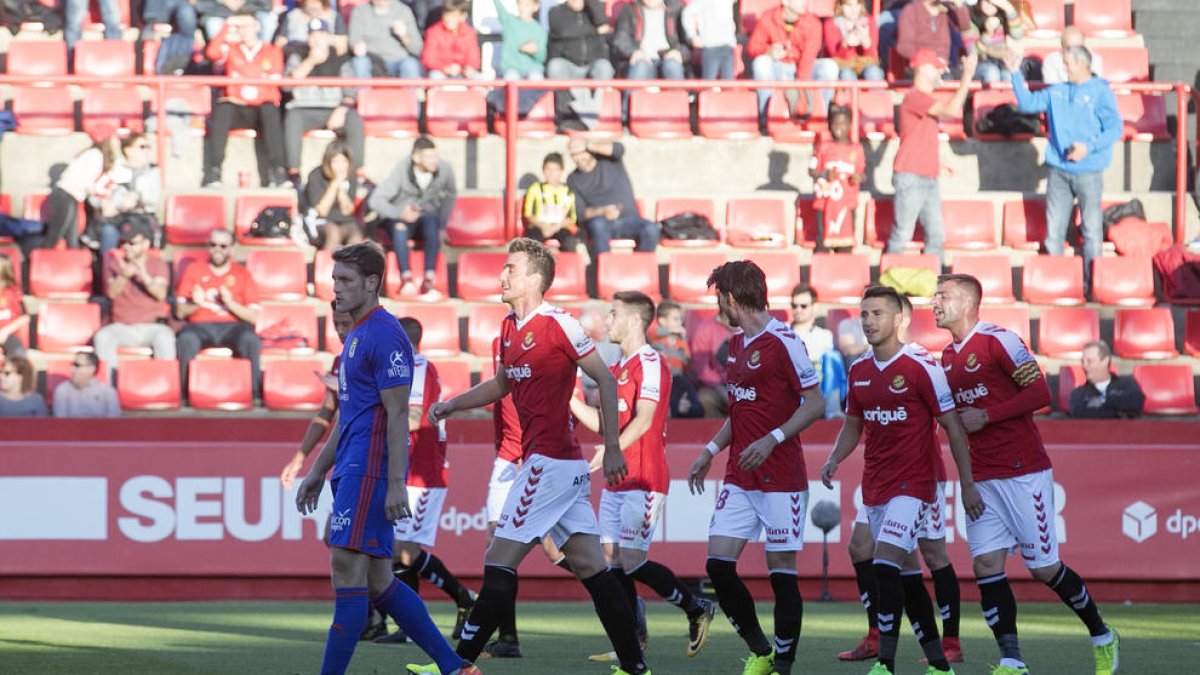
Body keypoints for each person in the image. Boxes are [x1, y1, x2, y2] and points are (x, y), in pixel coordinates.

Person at [416, 237, 652, 675]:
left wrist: (615, 446)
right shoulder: (508, 327)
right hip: (555, 466)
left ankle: (458, 664)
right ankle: (636, 666)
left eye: (510, 269)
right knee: (591, 567)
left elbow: (606, 379)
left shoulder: (559, 324)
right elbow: (502, 384)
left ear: (535, 279)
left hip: (549, 465)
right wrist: (453, 404)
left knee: (498, 559)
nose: (501, 276)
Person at [295, 242, 477, 675]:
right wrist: (319, 470)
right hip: (351, 468)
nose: (336, 288)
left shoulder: (384, 333)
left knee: (347, 570)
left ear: (373, 282)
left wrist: (397, 482)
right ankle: (455, 667)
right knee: (379, 580)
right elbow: (351, 413)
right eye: (334, 279)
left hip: (369, 469)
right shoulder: (357, 335)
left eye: (345, 280)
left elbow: (398, 413)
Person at [933, 273, 1121, 675]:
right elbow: (952, 425)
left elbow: (1041, 394)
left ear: (967, 303)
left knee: (1043, 569)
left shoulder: (1000, 341)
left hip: (1023, 473)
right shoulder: (945, 358)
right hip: (982, 479)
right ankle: (1012, 660)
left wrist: (988, 415)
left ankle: (1103, 634)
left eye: (942, 296)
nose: (934, 303)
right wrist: (965, 483)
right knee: (986, 567)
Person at [819, 285, 981, 675]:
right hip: (876, 484)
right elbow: (853, 425)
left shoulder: (922, 366)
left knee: (888, 558)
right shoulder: (858, 370)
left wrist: (969, 484)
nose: (869, 321)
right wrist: (834, 458)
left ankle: (886, 661)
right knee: (900, 570)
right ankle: (939, 663)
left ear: (899, 319)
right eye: (864, 315)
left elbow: (953, 428)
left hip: (917, 483)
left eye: (877, 314)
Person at [685, 260, 824, 675]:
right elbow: (740, 409)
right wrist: (709, 449)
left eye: (717, 298)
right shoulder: (738, 345)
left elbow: (816, 403)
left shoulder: (784, 340)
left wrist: (773, 439)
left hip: (781, 477)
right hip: (740, 475)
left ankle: (782, 664)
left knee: (782, 572)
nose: (717, 307)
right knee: (718, 566)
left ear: (730, 298)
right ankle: (760, 649)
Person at [569, 292, 717, 662]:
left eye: (614, 314)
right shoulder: (618, 367)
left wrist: (612, 450)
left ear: (634, 321)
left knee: (632, 560)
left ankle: (696, 607)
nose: (607, 320)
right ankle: (633, 640)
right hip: (619, 476)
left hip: (644, 477)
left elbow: (645, 419)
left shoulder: (650, 362)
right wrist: (568, 399)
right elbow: (605, 424)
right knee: (610, 559)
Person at [374, 316, 477, 645]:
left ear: (405, 340)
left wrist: (379, 429)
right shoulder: (400, 368)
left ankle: (464, 599)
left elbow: (415, 417)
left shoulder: (417, 367)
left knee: (403, 551)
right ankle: (412, 625)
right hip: (408, 470)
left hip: (424, 470)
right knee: (399, 551)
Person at [477, 334, 568, 659]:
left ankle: (621, 591)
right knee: (496, 542)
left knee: (561, 549)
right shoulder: (502, 343)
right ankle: (508, 637)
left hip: (536, 458)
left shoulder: (553, 350)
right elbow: (501, 403)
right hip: (509, 457)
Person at [1007, 45, 1120, 296]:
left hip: (1089, 171)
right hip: (1059, 170)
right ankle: (1056, 284)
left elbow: (1114, 129)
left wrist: (1087, 147)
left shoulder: (1101, 92)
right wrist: (1015, 73)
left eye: (1068, 64)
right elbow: (1027, 104)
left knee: (1091, 230)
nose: (1064, 68)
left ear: (1082, 65)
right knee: (1054, 231)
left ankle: (1093, 286)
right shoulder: (1056, 91)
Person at [886, 48, 977, 264]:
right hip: (912, 176)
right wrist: (966, 77)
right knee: (903, 234)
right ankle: (884, 287)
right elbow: (952, 110)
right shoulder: (915, 97)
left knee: (935, 235)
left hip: (926, 176)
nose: (940, 73)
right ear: (924, 69)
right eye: (936, 68)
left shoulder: (920, 98)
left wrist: (940, 162)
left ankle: (935, 283)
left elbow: (918, 138)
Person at [203, 11, 289, 189]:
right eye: (240, 27)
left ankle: (278, 171)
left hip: (260, 108)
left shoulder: (271, 51)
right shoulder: (231, 50)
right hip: (237, 107)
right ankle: (213, 172)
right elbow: (212, 52)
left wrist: (245, 89)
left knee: (270, 109)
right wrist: (227, 24)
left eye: (248, 25)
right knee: (224, 107)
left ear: (257, 27)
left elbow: (272, 85)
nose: (245, 31)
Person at [174, 229, 263, 401]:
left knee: (250, 339)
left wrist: (230, 303)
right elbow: (179, 312)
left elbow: (254, 317)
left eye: (223, 246)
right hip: (200, 325)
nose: (217, 249)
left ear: (231, 249)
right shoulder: (194, 270)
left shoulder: (242, 273)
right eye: (213, 245)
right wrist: (195, 303)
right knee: (185, 340)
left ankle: (254, 394)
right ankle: (184, 395)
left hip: (234, 326)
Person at [369, 136, 457, 300]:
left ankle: (429, 278)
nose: (434, 161)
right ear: (416, 158)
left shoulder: (445, 169)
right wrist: (400, 213)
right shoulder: (401, 170)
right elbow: (376, 201)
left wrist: (444, 225)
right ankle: (406, 278)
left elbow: (450, 196)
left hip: (427, 218)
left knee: (433, 225)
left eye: (435, 156)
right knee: (399, 228)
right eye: (429, 157)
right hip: (401, 219)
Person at [283, 20, 366, 185]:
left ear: (329, 38)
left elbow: (350, 92)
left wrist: (341, 110)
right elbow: (287, 86)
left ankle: (356, 173)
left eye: (321, 35)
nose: (316, 40)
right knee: (292, 117)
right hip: (304, 110)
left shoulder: (340, 59)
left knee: (354, 118)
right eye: (313, 35)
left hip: (333, 110)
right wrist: (310, 62)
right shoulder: (298, 55)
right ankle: (294, 172)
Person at [281, 304, 354, 490]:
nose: (340, 331)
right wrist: (299, 459)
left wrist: (346, 388)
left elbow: (388, 405)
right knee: (336, 518)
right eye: (336, 324)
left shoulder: (376, 357)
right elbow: (326, 414)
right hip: (347, 459)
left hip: (371, 461)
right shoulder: (341, 361)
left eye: (346, 324)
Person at [93, 220, 175, 379]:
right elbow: (110, 294)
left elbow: (160, 294)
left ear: (146, 244)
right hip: (122, 327)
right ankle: (109, 390)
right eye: (123, 242)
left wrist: (143, 275)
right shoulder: (114, 264)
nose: (126, 247)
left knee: (165, 337)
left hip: (152, 326)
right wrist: (124, 276)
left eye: (132, 242)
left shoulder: (157, 263)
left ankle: (165, 386)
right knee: (103, 336)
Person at [566, 139, 660, 257]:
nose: (578, 158)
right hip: (602, 223)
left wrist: (588, 144)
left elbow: (619, 148)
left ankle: (639, 268)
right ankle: (604, 271)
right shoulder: (573, 179)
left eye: (581, 152)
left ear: (590, 149)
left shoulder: (609, 160)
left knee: (651, 229)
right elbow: (581, 213)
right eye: (574, 155)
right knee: (597, 225)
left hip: (630, 220)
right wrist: (604, 211)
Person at [747, 0, 829, 113]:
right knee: (761, 62)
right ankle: (764, 116)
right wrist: (768, 51)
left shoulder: (813, 23)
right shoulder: (768, 17)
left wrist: (800, 85)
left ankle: (822, 117)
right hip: (779, 67)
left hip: (803, 68)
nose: (804, 2)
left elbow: (809, 56)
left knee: (829, 67)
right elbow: (752, 48)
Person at [47, 124, 120, 249]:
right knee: (55, 235)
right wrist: (101, 200)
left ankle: (74, 263)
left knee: (72, 239)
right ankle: (38, 263)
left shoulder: (94, 154)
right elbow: (89, 183)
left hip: (71, 198)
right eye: (114, 138)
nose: (117, 141)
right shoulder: (95, 155)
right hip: (65, 196)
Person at [546, 0, 615, 125]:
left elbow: (602, 22)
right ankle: (581, 116)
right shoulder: (555, 12)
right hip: (568, 64)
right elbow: (564, 32)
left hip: (592, 64)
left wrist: (591, 4)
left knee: (605, 67)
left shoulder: (592, 10)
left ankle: (586, 115)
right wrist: (595, 31)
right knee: (555, 66)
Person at [94, 133, 163, 256]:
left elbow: (152, 198)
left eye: (148, 147)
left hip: (142, 218)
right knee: (108, 231)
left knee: (140, 234)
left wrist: (136, 199)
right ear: (128, 150)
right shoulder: (115, 170)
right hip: (118, 217)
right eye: (142, 147)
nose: (146, 151)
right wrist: (118, 203)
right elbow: (102, 193)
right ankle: (107, 269)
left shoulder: (153, 171)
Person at [809, 105, 866, 252]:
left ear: (849, 125)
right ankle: (821, 272)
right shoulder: (822, 147)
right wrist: (824, 174)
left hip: (847, 204)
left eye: (843, 123)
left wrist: (858, 178)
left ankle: (844, 273)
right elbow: (811, 170)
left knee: (846, 246)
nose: (838, 127)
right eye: (835, 123)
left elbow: (862, 173)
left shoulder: (857, 149)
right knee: (822, 243)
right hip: (825, 203)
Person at [303, 141, 364, 251]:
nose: (340, 167)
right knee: (333, 233)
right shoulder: (315, 175)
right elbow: (322, 211)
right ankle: (328, 267)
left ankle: (352, 267)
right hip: (320, 221)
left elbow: (347, 211)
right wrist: (335, 183)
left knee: (356, 237)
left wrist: (340, 188)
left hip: (344, 221)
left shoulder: (351, 176)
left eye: (343, 162)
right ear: (328, 162)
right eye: (336, 162)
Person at [648, 300, 702, 418]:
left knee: (693, 402)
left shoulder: (680, 341)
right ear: (662, 321)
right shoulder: (656, 337)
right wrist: (671, 331)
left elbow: (687, 361)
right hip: (661, 379)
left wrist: (685, 344)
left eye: (680, 319)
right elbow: (651, 332)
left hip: (678, 378)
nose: (680, 323)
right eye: (675, 319)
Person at [612, 0, 689, 81]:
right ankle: (631, 93)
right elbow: (621, 38)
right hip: (641, 59)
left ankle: (678, 93)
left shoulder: (677, 10)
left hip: (668, 57)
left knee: (672, 65)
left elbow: (688, 41)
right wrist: (633, 52)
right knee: (640, 66)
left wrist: (679, 53)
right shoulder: (629, 10)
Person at [1069, 340, 1145, 419]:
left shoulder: (1127, 383)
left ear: (1105, 361)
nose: (1084, 366)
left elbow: (1136, 403)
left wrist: (1101, 401)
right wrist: (1119, 411)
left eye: (1089, 361)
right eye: (1082, 361)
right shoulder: (1078, 394)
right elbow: (1081, 415)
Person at [349, 0, 424, 79]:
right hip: (372, 60)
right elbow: (354, 40)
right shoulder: (360, 11)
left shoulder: (403, 11)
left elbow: (418, 48)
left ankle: (409, 91)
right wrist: (356, 47)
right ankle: (363, 91)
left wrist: (404, 36)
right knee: (360, 62)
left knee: (410, 65)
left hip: (398, 60)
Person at [522, 153, 581, 253]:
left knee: (570, 242)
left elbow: (571, 218)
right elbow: (529, 215)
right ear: (543, 170)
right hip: (540, 226)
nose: (551, 173)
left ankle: (567, 267)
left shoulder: (568, 191)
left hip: (560, 227)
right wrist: (544, 227)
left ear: (561, 171)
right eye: (548, 169)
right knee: (531, 243)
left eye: (555, 169)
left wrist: (554, 228)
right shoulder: (535, 189)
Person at [895, 0, 969, 75]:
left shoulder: (945, 10)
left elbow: (964, 26)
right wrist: (931, 61)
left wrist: (959, 4)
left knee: (970, 75)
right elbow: (904, 46)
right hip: (921, 69)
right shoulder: (911, 10)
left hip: (945, 67)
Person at [821, 0, 885, 85]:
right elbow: (833, 54)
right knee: (847, 74)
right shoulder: (831, 24)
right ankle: (848, 97)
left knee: (874, 72)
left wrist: (866, 42)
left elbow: (872, 53)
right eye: (849, 6)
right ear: (841, 6)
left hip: (865, 62)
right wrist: (845, 44)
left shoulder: (869, 21)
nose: (853, 9)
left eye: (857, 5)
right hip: (843, 64)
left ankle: (878, 97)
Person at [963, 0, 1025, 83]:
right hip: (978, 65)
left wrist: (1008, 8)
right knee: (992, 72)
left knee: (1009, 74)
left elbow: (1017, 34)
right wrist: (988, 33)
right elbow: (972, 51)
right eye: (986, 1)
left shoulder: (1003, 17)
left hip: (1002, 63)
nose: (990, 4)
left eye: (993, 2)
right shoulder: (970, 18)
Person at [686, 308, 733, 418]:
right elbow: (702, 368)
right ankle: (717, 432)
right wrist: (720, 388)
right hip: (717, 386)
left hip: (746, 386)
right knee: (705, 398)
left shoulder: (749, 326)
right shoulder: (705, 328)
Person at [422, 0, 482, 79]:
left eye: (453, 16)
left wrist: (465, 68)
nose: (448, 19)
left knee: (478, 79)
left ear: (463, 16)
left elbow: (474, 58)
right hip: (442, 72)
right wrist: (445, 68)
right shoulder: (433, 32)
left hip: (463, 73)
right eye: (446, 15)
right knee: (435, 76)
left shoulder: (469, 33)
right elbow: (428, 59)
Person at [681, 0, 739, 80]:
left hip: (728, 45)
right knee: (708, 83)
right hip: (711, 46)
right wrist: (692, 36)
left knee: (728, 84)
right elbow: (687, 13)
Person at [52, 352, 121, 418]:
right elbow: (61, 423)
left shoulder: (108, 392)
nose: (72, 369)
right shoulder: (62, 390)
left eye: (77, 365)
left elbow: (113, 423)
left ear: (91, 369)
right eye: (72, 365)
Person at [493, 0, 548, 79]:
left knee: (536, 78)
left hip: (533, 70)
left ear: (535, 7)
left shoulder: (539, 30)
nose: (522, 8)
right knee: (512, 78)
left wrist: (535, 51)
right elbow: (499, 8)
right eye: (520, 4)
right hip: (511, 69)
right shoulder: (509, 22)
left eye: (526, 5)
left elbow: (542, 57)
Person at [1039, 25, 1103, 84]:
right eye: (1070, 48)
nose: (1075, 52)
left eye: (1079, 47)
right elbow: (1052, 89)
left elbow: (1095, 86)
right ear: (1062, 45)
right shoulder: (1051, 61)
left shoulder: (1094, 59)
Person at [789, 284, 832, 365]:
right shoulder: (781, 332)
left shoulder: (825, 336)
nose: (798, 310)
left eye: (803, 306)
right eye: (794, 306)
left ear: (814, 307)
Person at [0, 253, 29, 359]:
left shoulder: (12, 292)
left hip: (8, 335)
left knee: (18, 355)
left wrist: (5, 331)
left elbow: (25, 317)